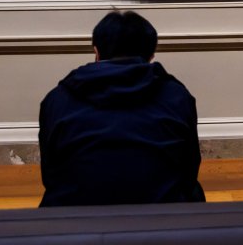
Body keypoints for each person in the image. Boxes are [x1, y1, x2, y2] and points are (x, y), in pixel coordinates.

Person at [38, 11, 205, 206]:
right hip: (162, 214)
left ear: (96, 52)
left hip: (75, 215)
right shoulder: (177, 96)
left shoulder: (57, 99)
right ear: (151, 56)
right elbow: (189, 169)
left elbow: (50, 173)